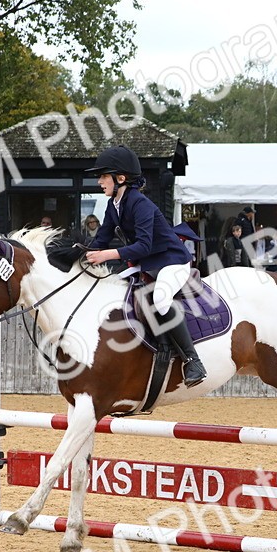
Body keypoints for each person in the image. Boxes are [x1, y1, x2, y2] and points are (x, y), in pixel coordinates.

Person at [84, 145, 206, 386]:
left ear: (120, 179)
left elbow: (143, 246)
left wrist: (106, 255)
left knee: (161, 298)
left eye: (103, 176)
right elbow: (100, 241)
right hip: (147, 263)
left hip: (172, 261)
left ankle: (193, 362)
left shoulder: (141, 204)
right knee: (112, 288)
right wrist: (73, 254)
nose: (99, 182)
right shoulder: (113, 205)